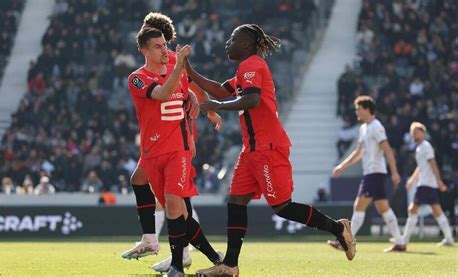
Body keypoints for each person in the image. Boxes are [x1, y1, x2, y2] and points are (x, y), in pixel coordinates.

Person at [186, 24, 356, 276]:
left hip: (267, 147)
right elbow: (221, 89)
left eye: (233, 39)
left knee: (283, 207)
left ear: (245, 44)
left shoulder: (252, 65)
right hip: (251, 149)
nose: (227, 43)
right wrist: (189, 70)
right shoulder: (245, 69)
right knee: (236, 201)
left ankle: (338, 228)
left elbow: (252, 99)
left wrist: (218, 106)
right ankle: (230, 265)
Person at [121, 12, 223, 274]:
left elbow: (184, 87)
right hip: (157, 147)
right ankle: (204, 255)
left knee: (176, 202)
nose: (163, 50)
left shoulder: (173, 64)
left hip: (178, 143)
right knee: (174, 205)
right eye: (157, 46)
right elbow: (184, 89)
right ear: (146, 49)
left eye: (163, 44)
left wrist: (203, 111)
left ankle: (168, 250)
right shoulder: (142, 75)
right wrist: (197, 100)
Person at [330, 95, 406, 252]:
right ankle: (399, 242)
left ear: (366, 109)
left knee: (359, 205)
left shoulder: (376, 126)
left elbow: (387, 149)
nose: (356, 111)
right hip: (373, 174)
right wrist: (342, 166)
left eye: (358, 108)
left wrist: (394, 172)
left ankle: (345, 241)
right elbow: (358, 153)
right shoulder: (364, 128)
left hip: (375, 173)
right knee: (383, 208)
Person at [400, 122, 454, 247]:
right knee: (437, 211)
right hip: (427, 184)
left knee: (412, 209)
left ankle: (404, 239)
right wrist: (412, 180)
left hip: (426, 183)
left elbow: (433, 164)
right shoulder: (419, 148)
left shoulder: (426, 146)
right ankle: (449, 238)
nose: (414, 135)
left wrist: (439, 181)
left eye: (416, 132)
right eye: (412, 132)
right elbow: (421, 167)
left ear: (423, 133)